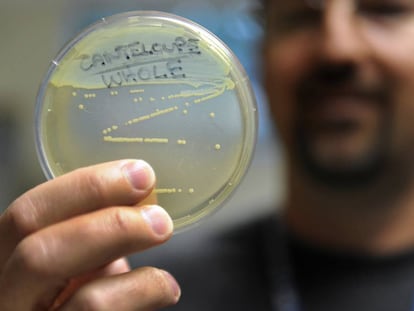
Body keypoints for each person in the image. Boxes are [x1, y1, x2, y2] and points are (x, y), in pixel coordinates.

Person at [3, 0, 414, 309]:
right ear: (259, 62)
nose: (337, 48)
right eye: (300, 17)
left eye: (384, 9)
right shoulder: (134, 291)